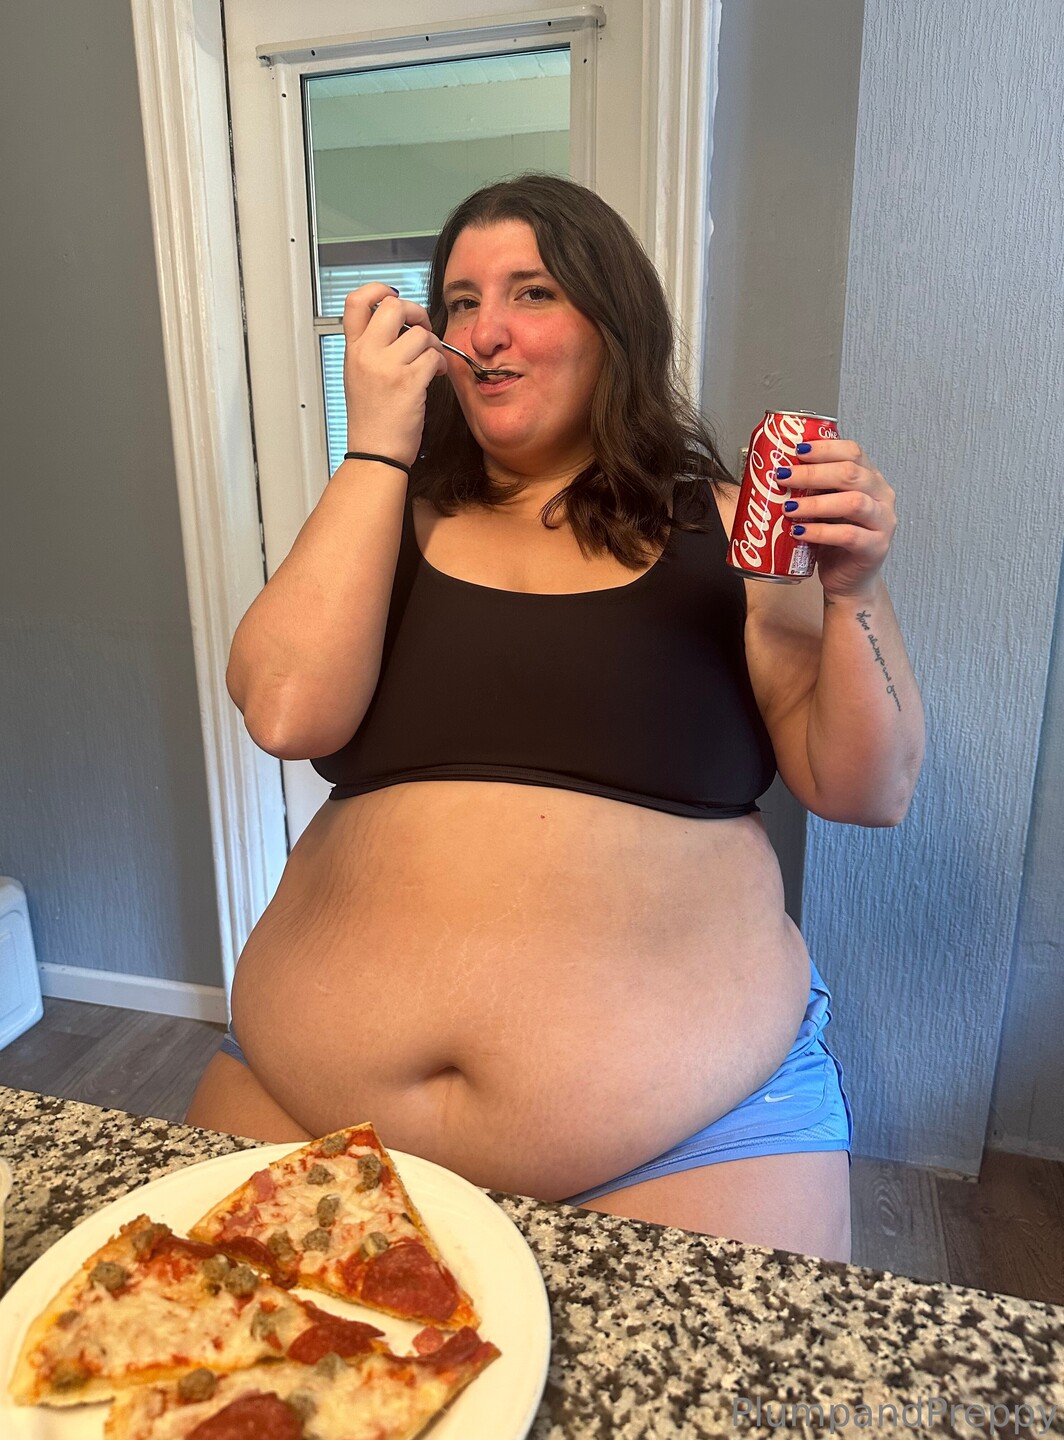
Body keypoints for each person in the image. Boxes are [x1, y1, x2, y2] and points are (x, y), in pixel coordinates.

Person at [186, 173, 924, 1263]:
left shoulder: (734, 530)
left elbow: (869, 789)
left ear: (614, 324)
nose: (486, 329)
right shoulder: (381, 516)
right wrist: (377, 450)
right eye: (462, 300)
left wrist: (856, 591)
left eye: (531, 292)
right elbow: (287, 712)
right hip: (302, 1107)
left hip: (690, 1143)